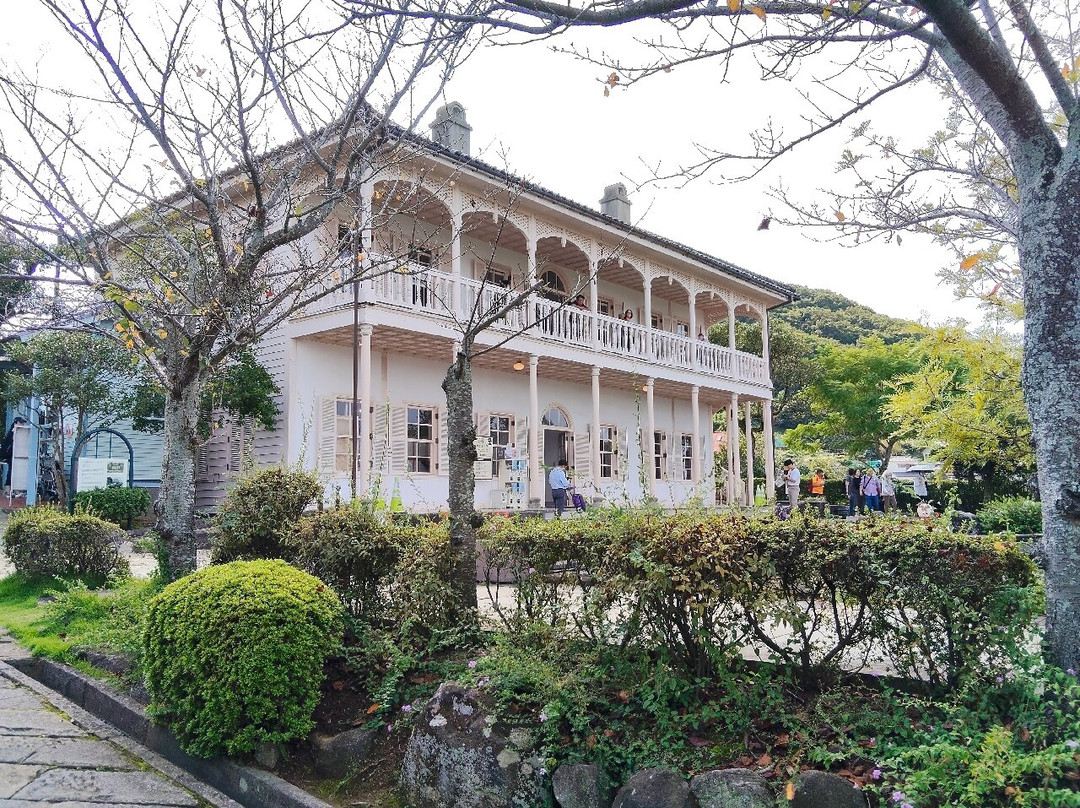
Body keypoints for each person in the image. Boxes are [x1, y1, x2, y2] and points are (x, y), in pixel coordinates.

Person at [1, 416, 27, 491]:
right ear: (16, 423)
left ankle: (14, 489)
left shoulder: (19, 431)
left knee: (16, 471)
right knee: (12, 470)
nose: (22, 424)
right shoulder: (13, 432)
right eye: (21, 422)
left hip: (17, 454)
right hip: (11, 455)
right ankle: (8, 488)